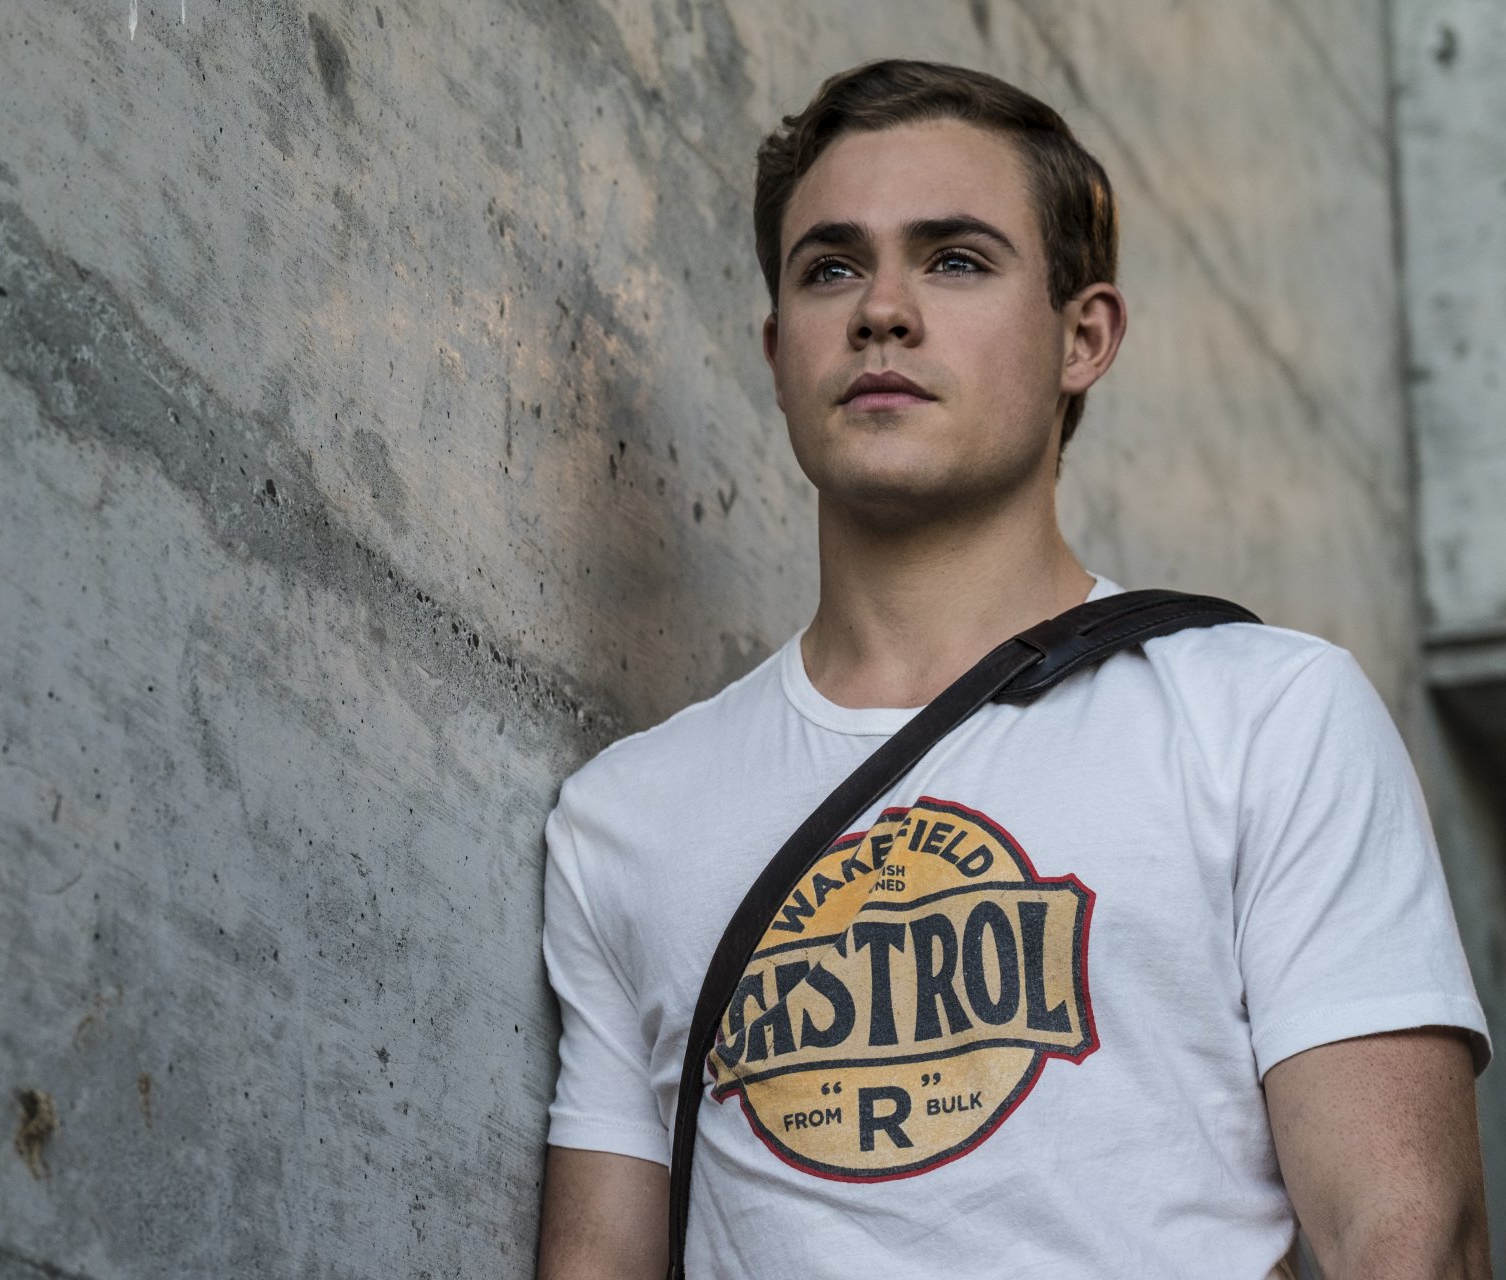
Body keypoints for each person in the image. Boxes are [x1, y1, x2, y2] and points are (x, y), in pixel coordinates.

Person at [535, 59, 1491, 1279]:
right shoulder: (626, 817)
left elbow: (1407, 1239)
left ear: (1082, 337)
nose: (882, 309)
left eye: (956, 259)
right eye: (831, 267)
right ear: (779, 354)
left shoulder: (1265, 714)